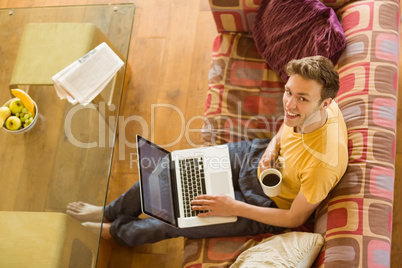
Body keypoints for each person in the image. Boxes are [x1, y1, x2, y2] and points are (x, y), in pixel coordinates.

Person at [67, 56, 349, 247]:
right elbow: (288, 124)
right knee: (169, 168)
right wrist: (273, 145)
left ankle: (116, 232)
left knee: (175, 220)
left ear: (325, 104)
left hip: (267, 204)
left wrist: (232, 207)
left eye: (302, 98)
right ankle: (109, 211)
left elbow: (294, 219)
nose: (289, 104)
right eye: (288, 92)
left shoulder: (323, 163)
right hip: (256, 156)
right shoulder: (316, 106)